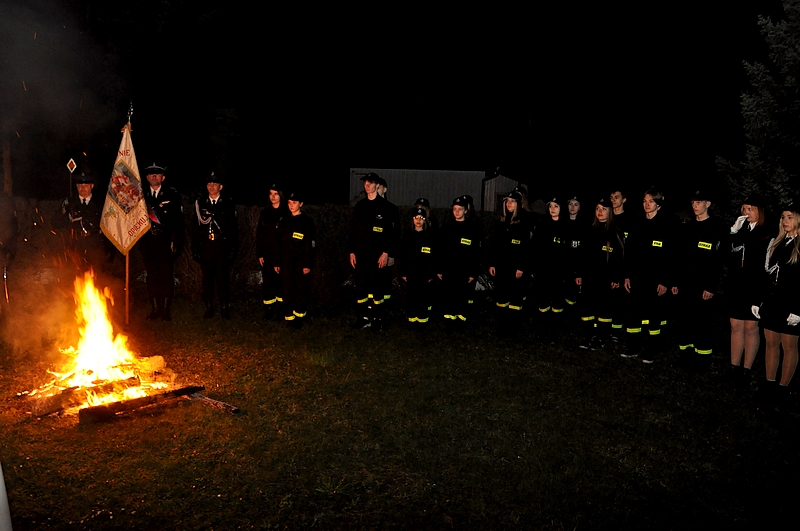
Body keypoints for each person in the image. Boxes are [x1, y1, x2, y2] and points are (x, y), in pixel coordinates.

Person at [752, 198, 800, 408]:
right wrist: (758, 300)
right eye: (783, 217)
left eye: (790, 217)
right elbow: (766, 275)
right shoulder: (777, 243)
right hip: (772, 302)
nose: (785, 221)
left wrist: (798, 310)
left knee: (789, 347)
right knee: (771, 344)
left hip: (792, 303)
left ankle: (783, 389)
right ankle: (769, 385)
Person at [622, 188, 678, 363]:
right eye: (645, 201)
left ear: (659, 204)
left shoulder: (666, 225)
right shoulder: (637, 223)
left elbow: (671, 256)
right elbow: (629, 252)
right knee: (634, 315)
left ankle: (651, 350)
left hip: (656, 280)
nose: (647, 204)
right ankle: (633, 347)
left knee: (654, 318)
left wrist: (665, 281)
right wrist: (627, 276)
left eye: (651, 201)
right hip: (637, 278)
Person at [672, 190, 726, 369]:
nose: (695, 206)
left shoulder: (717, 228)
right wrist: (675, 282)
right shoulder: (687, 227)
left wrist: (711, 287)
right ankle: (684, 354)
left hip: (703, 285)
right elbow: (679, 258)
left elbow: (718, 262)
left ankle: (702, 357)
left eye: (699, 202)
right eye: (693, 203)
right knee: (684, 320)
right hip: (685, 283)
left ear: (708, 204)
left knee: (702, 322)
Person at [727, 194, 772, 387]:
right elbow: (726, 251)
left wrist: (760, 297)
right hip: (737, 285)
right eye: (744, 209)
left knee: (751, 328)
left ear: (760, 211)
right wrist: (732, 231)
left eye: (750, 209)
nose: (746, 213)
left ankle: (746, 369)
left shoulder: (767, 234)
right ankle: (734, 367)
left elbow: (766, 267)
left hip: (754, 286)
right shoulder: (740, 230)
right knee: (735, 326)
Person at [348, 172, 400, 331]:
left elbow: (392, 234)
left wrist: (386, 252)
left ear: (377, 185)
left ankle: (377, 319)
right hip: (361, 255)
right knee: (361, 287)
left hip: (378, 256)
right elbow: (353, 231)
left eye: (370, 183)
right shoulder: (360, 206)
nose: (367, 185)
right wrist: (351, 251)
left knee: (378, 289)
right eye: (365, 183)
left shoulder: (386, 207)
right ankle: (363, 318)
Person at [575, 197, 625, 350]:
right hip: (589, 277)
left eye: (604, 209)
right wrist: (579, 274)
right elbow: (581, 255)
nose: (600, 212)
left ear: (610, 212)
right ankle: (587, 335)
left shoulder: (615, 232)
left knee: (604, 309)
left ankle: (601, 337)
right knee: (587, 308)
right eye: (597, 208)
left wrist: (616, 278)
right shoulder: (589, 230)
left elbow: (620, 258)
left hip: (606, 278)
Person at [139, 163, 184, 321]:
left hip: (165, 242)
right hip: (148, 242)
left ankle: (165, 310)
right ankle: (155, 309)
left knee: (166, 276)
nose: (154, 176)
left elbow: (178, 222)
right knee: (151, 276)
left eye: (157, 174)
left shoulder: (172, 195)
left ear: (163, 178)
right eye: (151, 174)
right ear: (147, 178)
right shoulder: (140, 196)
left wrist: (176, 243)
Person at [191, 173, 238, 319]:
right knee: (207, 279)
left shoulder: (228, 204)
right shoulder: (200, 203)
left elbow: (233, 228)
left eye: (215, 184)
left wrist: (233, 248)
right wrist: (195, 247)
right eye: (209, 184)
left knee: (222, 278)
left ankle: (224, 307)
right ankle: (209, 307)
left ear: (220, 187)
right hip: (206, 246)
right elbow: (195, 227)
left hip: (221, 246)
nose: (211, 187)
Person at [488, 190, 532, 334]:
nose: (509, 204)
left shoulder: (524, 222)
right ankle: (502, 325)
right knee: (501, 297)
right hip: (501, 266)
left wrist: (521, 267)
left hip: (515, 268)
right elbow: (493, 245)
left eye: (512, 201)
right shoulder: (500, 222)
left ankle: (514, 326)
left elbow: (527, 248)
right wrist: (492, 263)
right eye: (507, 201)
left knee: (515, 298)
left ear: (518, 204)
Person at [437, 195, 482, 331]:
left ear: (466, 210)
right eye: (454, 209)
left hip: (464, 269)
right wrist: (439, 269)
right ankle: (449, 320)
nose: (457, 212)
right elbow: (440, 250)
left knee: (461, 295)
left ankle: (460, 320)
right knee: (449, 295)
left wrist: (473, 272)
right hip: (448, 268)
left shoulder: (472, 228)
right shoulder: (447, 226)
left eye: (460, 209)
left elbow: (475, 252)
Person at [275, 190, 315, 329]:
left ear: (301, 204)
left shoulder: (307, 222)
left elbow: (310, 245)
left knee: (300, 289)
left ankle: (299, 317)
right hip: (286, 262)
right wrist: (277, 262)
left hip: (300, 263)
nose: (291, 205)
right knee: (287, 289)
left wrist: (307, 264)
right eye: (289, 203)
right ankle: (289, 317)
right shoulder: (284, 221)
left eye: (294, 203)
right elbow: (278, 243)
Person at [59, 173, 109, 273]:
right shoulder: (69, 203)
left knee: (97, 273)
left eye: (86, 185)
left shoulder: (101, 203)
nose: (83, 188)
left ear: (92, 186)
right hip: (75, 243)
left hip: (95, 243)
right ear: (76, 186)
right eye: (80, 185)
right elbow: (57, 221)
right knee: (75, 274)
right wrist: (68, 220)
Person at [533, 197, 569, 331]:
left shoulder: (566, 227)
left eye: (556, 206)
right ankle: (542, 327)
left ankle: (555, 328)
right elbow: (535, 248)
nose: (552, 209)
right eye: (550, 206)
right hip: (544, 271)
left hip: (559, 272)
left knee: (558, 301)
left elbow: (569, 252)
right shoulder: (542, 225)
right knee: (543, 300)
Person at [256, 183, 290, 321]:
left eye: (276, 194)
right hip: (267, 254)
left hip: (281, 254)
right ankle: (268, 310)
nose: (273, 197)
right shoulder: (265, 213)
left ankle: (281, 311)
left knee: (280, 283)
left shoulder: (286, 213)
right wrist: (260, 253)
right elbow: (259, 234)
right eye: (271, 194)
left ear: (281, 195)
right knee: (268, 283)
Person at [399, 207, 437, 326]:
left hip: (424, 273)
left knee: (423, 297)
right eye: (416, 218)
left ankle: (422, 320)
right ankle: (412, 319)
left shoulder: (430, 236)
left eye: (421, 218)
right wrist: (402, 272)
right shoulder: (407, 235)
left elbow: (434, 256)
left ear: (425, 220)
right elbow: (402, 255)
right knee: (412, 296)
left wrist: (432, 273)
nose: (418, 221)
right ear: (413, 219)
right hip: (411, 272)